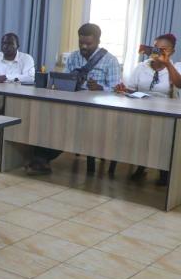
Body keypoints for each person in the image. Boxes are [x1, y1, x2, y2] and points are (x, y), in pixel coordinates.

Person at [26, 23, 122, 176]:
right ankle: (40, 156)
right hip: (72, 103)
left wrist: (100, 88)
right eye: (81, 42)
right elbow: (64, 79)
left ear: (98, 41)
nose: (84, 46)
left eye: (88, 44)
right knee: (50, 120)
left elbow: (118, 90)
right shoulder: (73, 57)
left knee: (67, 127)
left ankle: (42, 157)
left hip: (96, 109)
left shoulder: (110, 61)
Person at [116, 33, 180, 186]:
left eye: (164, 50)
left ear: (172, 51)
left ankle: (164, 171)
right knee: (139, 134)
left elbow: (179, 84)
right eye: (156, 48)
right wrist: (123, 90)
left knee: (164, 138)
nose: (159, 52)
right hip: (142, 109)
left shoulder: (176, 66)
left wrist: (167, 64)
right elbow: (131, 90)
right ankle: (141, 165)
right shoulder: (142, 67)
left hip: (166, 112)